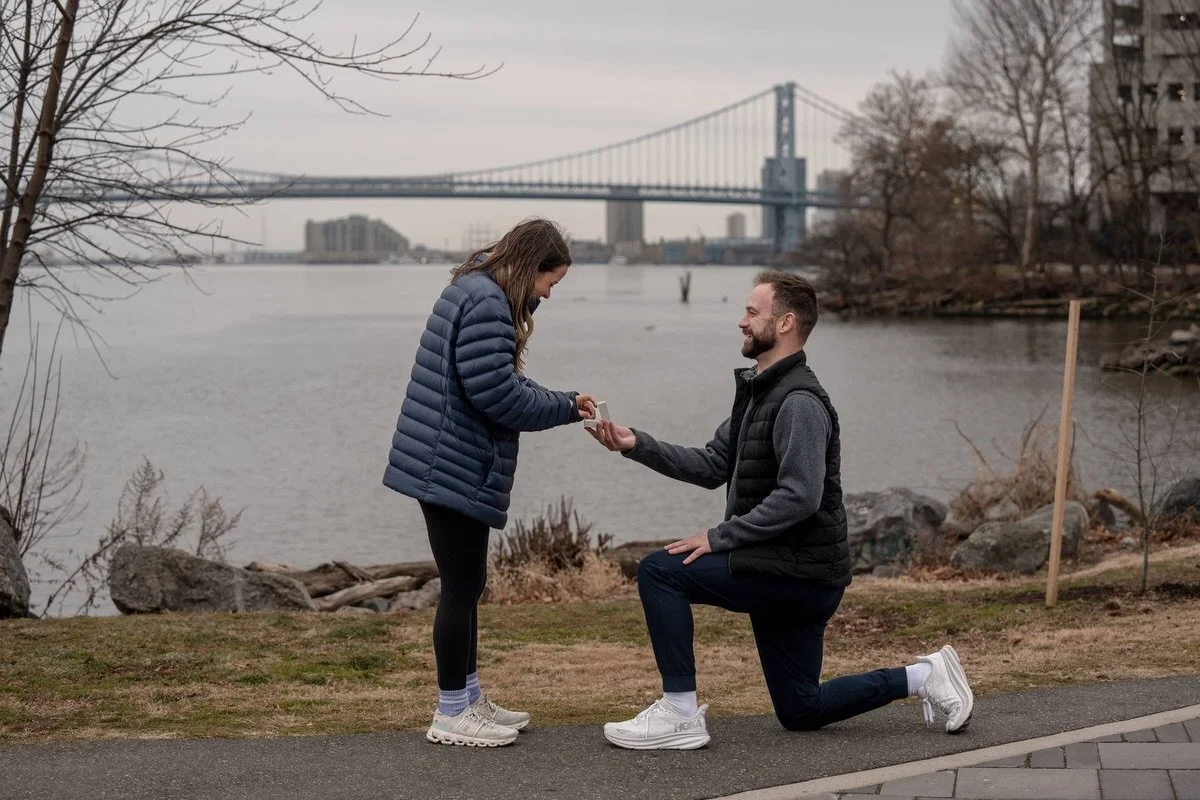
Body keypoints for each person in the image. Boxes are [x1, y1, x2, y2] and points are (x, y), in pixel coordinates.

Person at [587, 270, 973, 750]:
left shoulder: (798, 401)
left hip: (797, 572)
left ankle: (680, 713)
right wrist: (634, 443)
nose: (741, 322)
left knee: (660, 571)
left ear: (786, 322)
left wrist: (718, 537)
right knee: (801, 710)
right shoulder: (761, 392)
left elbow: (800, 495)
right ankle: (923, 676)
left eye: (752, 312)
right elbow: (712, 465)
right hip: (789, 568)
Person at [383, 218, 596, 748]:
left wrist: (562, 399)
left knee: (468, 585)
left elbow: (496, 380)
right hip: (451, 462)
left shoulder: (477, 291)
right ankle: (451, 711)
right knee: (459, 588)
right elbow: (497, 395)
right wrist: (567, 407)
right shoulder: (487, 303)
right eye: (551, 282)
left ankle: (469, 697)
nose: (549, 293)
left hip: (447, 459)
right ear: (532, 267)